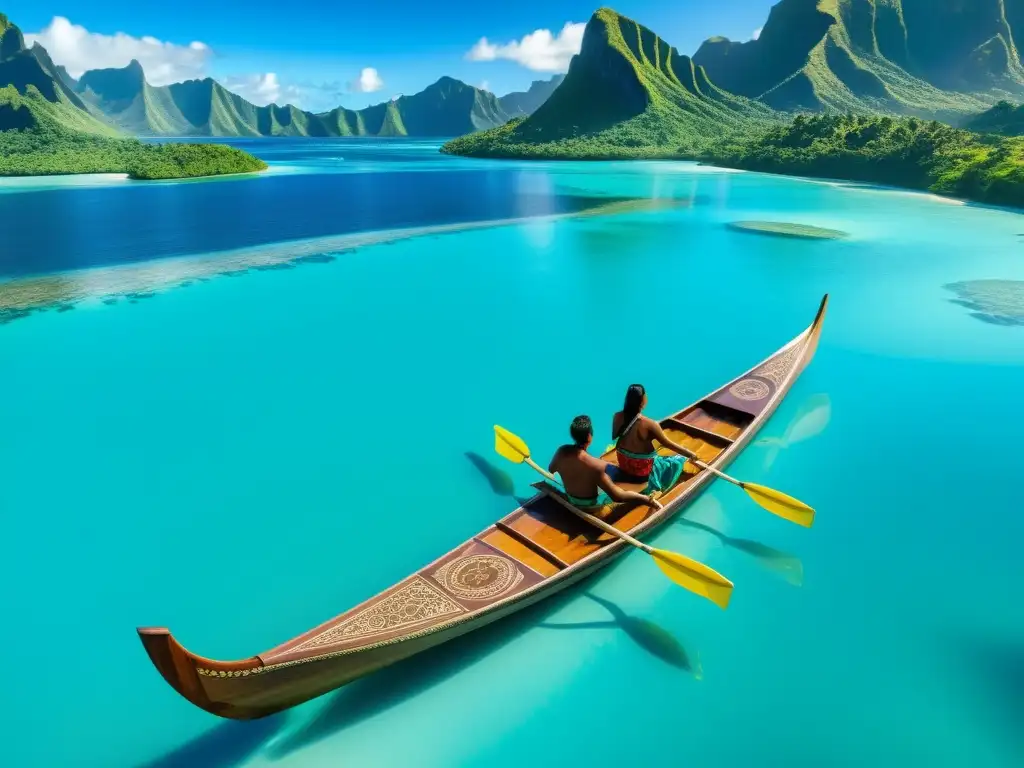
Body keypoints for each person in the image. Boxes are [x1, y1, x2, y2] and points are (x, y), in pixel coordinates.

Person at [548, 415, 663, 510]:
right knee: (644, 479)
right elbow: (618, 497)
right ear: (589, 437)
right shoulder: (595, 466)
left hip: (571, 498)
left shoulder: (561, 451)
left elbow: (551, 469)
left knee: (610, 469)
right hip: (590, 507)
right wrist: (645, 499)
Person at [611, 384, 697, 493]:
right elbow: (668, 444)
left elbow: (614, 436)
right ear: (643, 400)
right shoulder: (649, 424)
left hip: (624, 463)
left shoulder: (617, 416)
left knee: (654, 456)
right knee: (677, 460)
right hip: (641, 472)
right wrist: (690, 454)